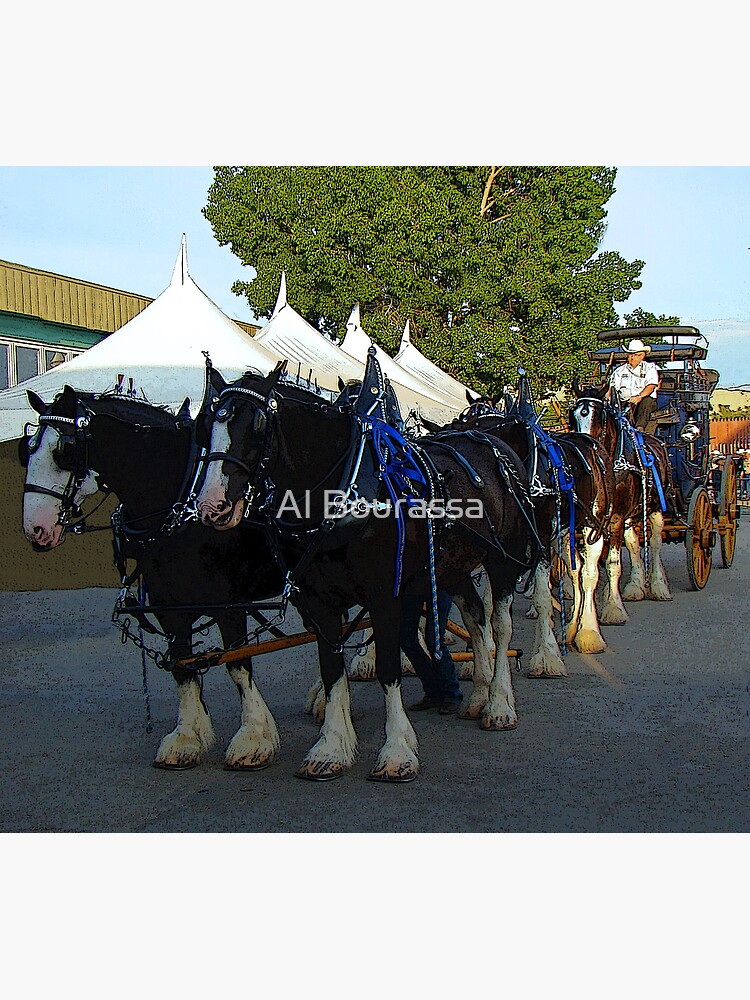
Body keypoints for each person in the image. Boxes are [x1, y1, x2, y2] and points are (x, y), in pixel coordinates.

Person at [401, 589, 463, 715]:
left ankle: (452, 694)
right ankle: (433, 690)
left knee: (435, 642)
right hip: (412, 583)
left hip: (440, 581)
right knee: (406, 640)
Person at [608, 338, 660, 431]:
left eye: (636, 355)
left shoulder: (649, 368)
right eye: (631, 355)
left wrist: (639, 397)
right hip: (624, 402)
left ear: (642, 356)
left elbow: (651, 386)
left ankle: (640, 428)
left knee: (647, 401)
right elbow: (612, 388)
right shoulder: (620, 371)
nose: (632, 357)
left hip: (643, 401)